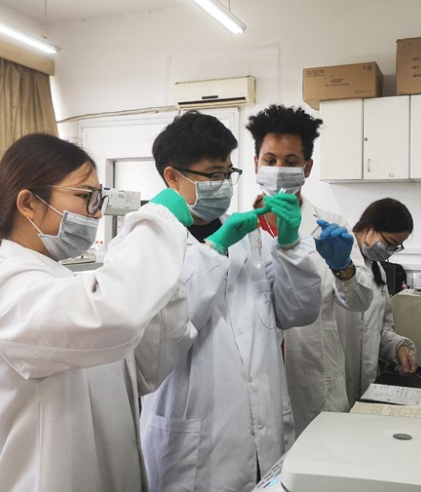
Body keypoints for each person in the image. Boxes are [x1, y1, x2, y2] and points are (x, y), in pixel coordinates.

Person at [0, 133, 197, 492]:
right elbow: (113, 315)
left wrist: (166, 285)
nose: (96, 213)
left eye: (99, 198)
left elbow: (148, 368)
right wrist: (155, 221)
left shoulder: (59, 281)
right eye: (85, 197)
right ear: (29, 204)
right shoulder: (3, 289)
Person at [139, 111, 323, 492]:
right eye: (212, 175)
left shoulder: (250, 236)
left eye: (228, 172)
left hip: (263, 435)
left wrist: (289, 246)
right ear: (173, 177)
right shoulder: (147, 240)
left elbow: (297, 312)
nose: (223, 184)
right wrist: (215, 249)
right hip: (194, 450)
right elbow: (160, 336)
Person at [246, 104, 373, 436]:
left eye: (290, 162)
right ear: (256, 163)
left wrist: (342, 267)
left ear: (307, 167)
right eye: (270, 160)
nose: (278, 170)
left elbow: (360, 302)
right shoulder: (238, 229)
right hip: (255, 376)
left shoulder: (331, 225)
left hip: (314, 375)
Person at [341, 198, 417, 408]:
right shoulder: (336, 262)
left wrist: (398, 347)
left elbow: (379, 328)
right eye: (389, 243)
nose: (389, 251)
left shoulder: (377, 270)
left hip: (366, 385)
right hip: (336, 380)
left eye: (396, 247)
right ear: (368, 227)